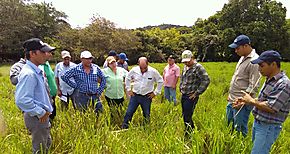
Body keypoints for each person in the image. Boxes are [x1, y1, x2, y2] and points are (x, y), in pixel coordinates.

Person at [233, 50, 290, 154]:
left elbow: (272, 107)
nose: (259, 69)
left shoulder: (284, 84)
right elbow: (263, 101)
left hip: (268, 127)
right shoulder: (270, 79)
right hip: (259, 124)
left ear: (273, 64)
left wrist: (251, 101)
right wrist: (246, 101)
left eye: (262, 66)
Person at [15, 38, 55, 153]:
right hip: (37, 118)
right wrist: (40, 112)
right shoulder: (29, 74)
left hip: (41, 117)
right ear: (32, 54)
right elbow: (22, 100)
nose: (46, 54)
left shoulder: (37, 70)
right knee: (40, 149)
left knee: (45, 145)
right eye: (42, 52)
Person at [226, 34, 260, 136]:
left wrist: (243, 101)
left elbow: (254, 85)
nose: (236, 51)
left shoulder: (254, 61)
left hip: (241, 103)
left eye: (238, 48)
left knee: (239, 129)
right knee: (229, 126)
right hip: (232, 99)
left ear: (246, 46)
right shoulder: (242, 57)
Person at [122, 57, 163, 129]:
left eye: (145, 67)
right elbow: (127, 78)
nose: (143, 70)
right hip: (135, 95)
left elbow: (160, 81)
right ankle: (125, 127)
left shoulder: (153, 71)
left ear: (147, 64)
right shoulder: (134, 70)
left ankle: (146, 128)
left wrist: (155, 93)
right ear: (138, 64)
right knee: (129, 112)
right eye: (141, 68)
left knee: (146, 114)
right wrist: (128, 89)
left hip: (146, 97)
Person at [179, 50, 210, 137]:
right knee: (184, 114)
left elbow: (206, 80)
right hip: (184, 94)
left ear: (192, 58)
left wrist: (197, 93)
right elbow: (183, 77)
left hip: (191, 96)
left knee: (187, 116)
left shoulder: (198, 67)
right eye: (184, 62)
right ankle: (189, 130)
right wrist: (180, 87)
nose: (186, 63)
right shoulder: (185, 67)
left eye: (188, 61)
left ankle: (189, 133)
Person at [102, 56, 128, 122]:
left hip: (120, 94)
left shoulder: (121, 70)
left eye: (114, 62)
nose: (113, 64)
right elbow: (98, 79)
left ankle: (120, 122)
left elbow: (129, 75)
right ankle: (113, 123)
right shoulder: (104, 71)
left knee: (121, 111)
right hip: (110, 95)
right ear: (108, 64)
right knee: (113, 112)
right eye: (111, 63)